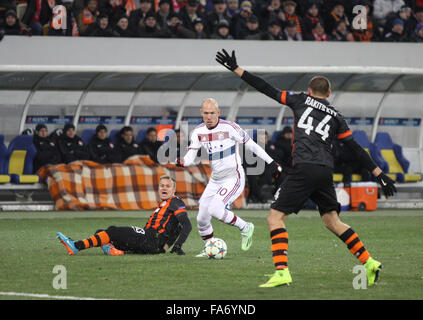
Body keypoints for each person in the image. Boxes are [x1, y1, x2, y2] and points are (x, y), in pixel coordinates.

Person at [215, 49, 397, 288]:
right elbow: (354, 147)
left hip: (304, 168)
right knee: (332, 221)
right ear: (329, 93)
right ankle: (369, 261)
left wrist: (237, 70)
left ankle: (282, 272)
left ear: (310, 91)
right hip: (324, 171)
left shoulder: (299, 99)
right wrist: (379, 174)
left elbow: (267, 89)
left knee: (275, 218)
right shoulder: (336, 115)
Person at [176, 98, 282, 256]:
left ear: (218, 113)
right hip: (216, 179)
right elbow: (190, 156)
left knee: (215, 209)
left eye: (212, 113)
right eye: (206, 113)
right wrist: (183, 161)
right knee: (201, 218)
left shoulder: (230, 127)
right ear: (201, 113)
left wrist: (271, 162)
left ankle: (246, 227)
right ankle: (209, 247)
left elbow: (251, 145)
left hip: (234, 176)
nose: (209, 116)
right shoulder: (198, 132)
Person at [57, 175, 192, 256]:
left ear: (174, 190)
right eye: (161, 185)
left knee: (113, 231)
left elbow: (186, 225)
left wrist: (178, 246)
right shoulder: (164, 204)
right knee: (102, 233)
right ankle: (114, 251)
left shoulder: (175, 201)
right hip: (150, 242)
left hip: (151, 238)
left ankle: (76, 246)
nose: (164, 188)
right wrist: (163, 249)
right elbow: (176, 228)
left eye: (168, 186)